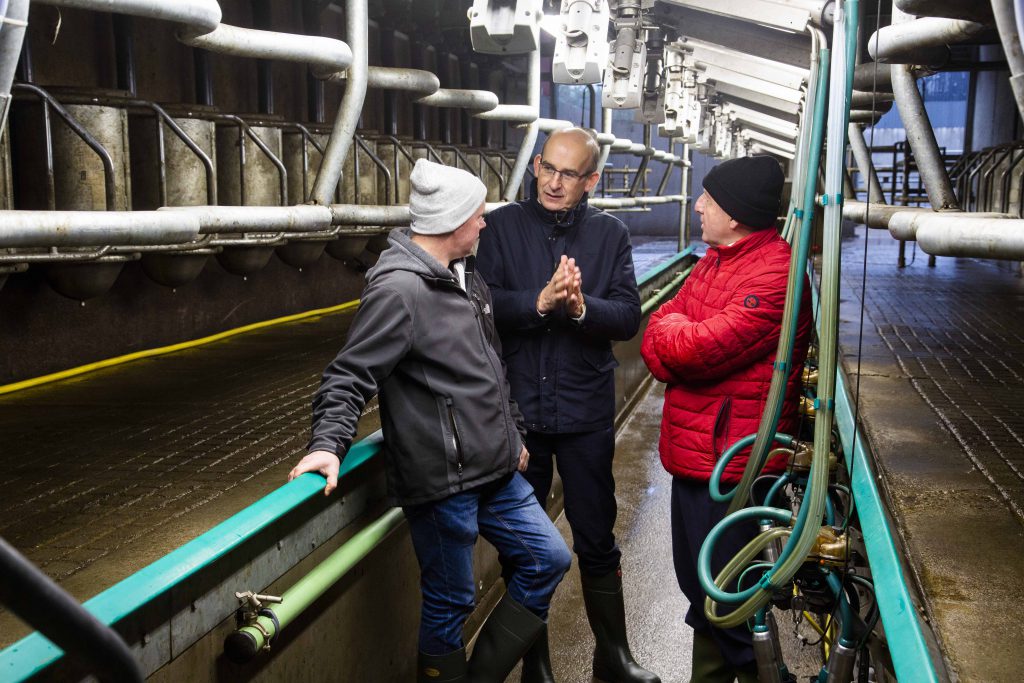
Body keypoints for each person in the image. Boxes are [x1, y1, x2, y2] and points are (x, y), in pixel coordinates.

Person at [289, 159, 572, 683]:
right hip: (444, 481)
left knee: (550, 558)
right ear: (453, 221)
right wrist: (329, 443)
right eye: (478, 214)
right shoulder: (399, 291)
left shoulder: (466, 278)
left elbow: (493, 363)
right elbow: (349, 375)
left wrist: (512, 432)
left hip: (496, 466)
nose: (485, 222)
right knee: (451, 602)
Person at [476, 127, 658, 683]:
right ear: (535, 166)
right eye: (548, 169)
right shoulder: (500, 227)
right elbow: (478, 304)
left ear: (591, 180)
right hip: (520, 414)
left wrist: (580, 308)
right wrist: (539, 301)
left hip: (583, 412)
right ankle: (538, 664)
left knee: (596, 533)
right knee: (526, 545)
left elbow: (628, 314)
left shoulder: (609, 235)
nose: (555, 183)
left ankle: (614, 657)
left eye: (570, 174)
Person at [640, 155, 813, 682]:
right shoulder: (717, 260)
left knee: (732, 597)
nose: (697, 206)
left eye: (708, 200)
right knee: (700, 588)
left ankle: (763, 675)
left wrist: (674, 328)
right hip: (696, 458)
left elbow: (690, 349)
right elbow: (656, 333)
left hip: (735, 465)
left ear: (735, 214)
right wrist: (673, 327)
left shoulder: (775, 273)